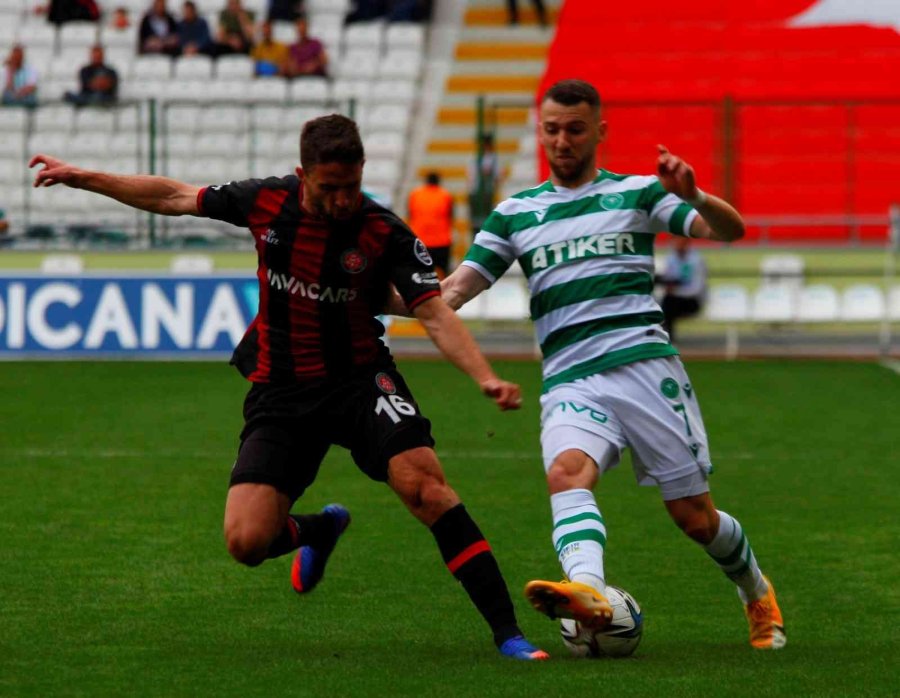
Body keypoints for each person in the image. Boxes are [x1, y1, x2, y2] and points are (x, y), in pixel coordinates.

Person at [29, 114, 549, 662]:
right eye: (330, 188)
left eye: (352, 186)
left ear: (363, 172)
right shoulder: (267, 202)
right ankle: (319, 529)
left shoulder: (385, 231)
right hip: (282, 389)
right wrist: (85, 177)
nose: (344, 199)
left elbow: (433, 314)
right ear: (304, 175)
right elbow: (175, 196)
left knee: (427, 489)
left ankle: (508, 633)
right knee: (247, 542)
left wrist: (485, 377)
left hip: (359, 381)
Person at [439, 79, 786, 650]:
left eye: (574, 129)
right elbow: (450, 293)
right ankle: (588, 594)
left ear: (598, 131)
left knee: (695, 519)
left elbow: (730, 230)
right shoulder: (515, 213)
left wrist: (695, 194)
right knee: (566, 473)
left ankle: (754, 588)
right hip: (570, 378)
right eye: (551, 129)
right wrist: (373, 300)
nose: (561, 140)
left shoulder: (638, 194)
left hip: (647, 371)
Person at [407, 171, 455, 277]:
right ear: (438, 182)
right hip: (441, 242)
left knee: (420, 274)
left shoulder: (415, 195)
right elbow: (451, 217)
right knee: (443, 273)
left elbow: (410, 215)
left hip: (420, 242)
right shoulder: (446, 195)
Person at [659, 236, 707, 343]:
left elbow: (696, 289)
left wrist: (675, 291)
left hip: (693, 301)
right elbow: (669, 278)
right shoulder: (671, 258)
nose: (676, 244)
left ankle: (667, 338)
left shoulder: (696, 260)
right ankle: (667, 337)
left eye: (679, 241)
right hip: (674, 301)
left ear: (686, 242)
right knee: (668, 302)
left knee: (668, 303)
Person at [466, 133, 500, 241]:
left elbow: (497, 177)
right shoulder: (475, 157)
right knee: (475, 222)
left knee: (485, 221)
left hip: (486, 193)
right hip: (476, 192)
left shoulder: (493, 158)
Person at [284, 12, 326, 78]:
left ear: (307, 28)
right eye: (299, 28)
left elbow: (324, 59)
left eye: (303, 28)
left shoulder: (315, 43)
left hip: (315, 75)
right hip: (299, 76)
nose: (302, 30)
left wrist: (314, 65)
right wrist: (294, 68)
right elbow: (290, 64)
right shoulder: (292, 47)